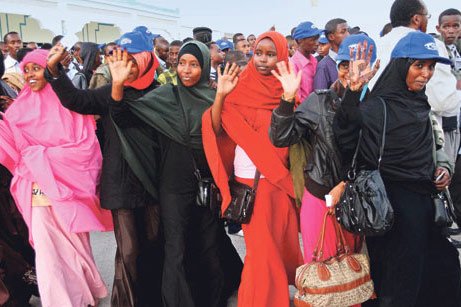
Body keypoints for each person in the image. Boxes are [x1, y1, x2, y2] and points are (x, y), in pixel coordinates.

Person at [109, 40, 243, 307]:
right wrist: (117, 85)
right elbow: (123, 117)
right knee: (176, 246)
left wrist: (220, 97)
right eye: (182, 63)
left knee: (209, 243)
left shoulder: (215, 96)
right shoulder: (164, 97)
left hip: (208, 182)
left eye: (194, 64)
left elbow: (217, 134)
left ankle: (211, 299)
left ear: (204, 67)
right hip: (173, 184)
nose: (186, 70)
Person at [334, 31, 461, 306]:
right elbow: (346, 140)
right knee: (400, 283)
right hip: (391, 208)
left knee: (441, 272)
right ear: (402, 65)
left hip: (424, 203)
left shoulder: (420, 103)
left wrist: (442, 169)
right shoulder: (378, 106)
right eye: (419, 66)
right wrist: (353, 96)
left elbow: (433, 143)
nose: (426, 74)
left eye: (430, 67)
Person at [45, 31, 164, 307]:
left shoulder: (161, 94)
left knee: (154, 246)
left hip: (154, 183)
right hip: (121, 185)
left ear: (147, 60)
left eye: (133, 61)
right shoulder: (109, 93)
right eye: (121, 61)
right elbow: (76, 100)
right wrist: (54, 70)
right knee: (130, 252)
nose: (127, 68)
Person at [0, 48, 112, 306]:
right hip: (36, 193)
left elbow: (86, 150)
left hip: (68, 191)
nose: (29, 74)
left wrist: (39, 158)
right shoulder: (17, 111)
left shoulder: (69, 106)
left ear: (49, 71)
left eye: (36, 68)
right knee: (48, 252)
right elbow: (13, 154)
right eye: (26, 69)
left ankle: (82, 293)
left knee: (75, 248)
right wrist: (34, 159)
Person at [203, 31, 303, 307]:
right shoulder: (238, 85)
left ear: (282, 56)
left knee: (280, 245)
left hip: (279, 183)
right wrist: (220, 96)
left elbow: (294, 137)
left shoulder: (289, 88)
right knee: (262, 253)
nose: (262, 60)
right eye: (259, 52)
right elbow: (215, 129)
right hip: (250, 185)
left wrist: (288, 97)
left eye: (271, 54)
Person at [270, 34, 377, 264]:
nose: (352, 71)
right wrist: (287, 100)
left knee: (351, 275)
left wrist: (346, 183)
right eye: (345, 64)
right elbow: (281, 138)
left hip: (357, 202)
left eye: (360, 65)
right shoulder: (319, 101)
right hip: (319, 199)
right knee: (321, 275)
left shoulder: (377, 107)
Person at [314, 18, 349, 89]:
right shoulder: (323, 66)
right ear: (331, 37)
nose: (348, 35)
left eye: (348, 31)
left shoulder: (352, 61)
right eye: (343, 32)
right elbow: (321, 98)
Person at [291, 21, 322, 102]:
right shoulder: (293, 65)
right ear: (300, 41)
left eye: (317, 39)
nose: (317, 43)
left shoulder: (314, 60)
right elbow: (296, 99)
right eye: (313, 40)